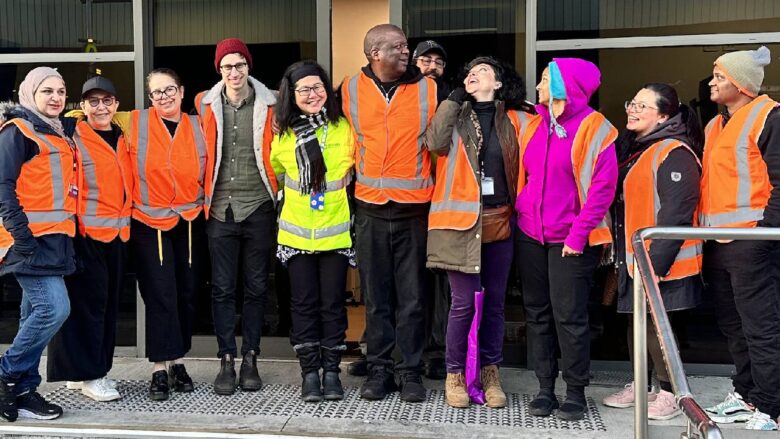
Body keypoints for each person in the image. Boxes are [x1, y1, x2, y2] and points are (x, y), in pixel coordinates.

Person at [425, 56, 534, 408]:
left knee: (495, 304)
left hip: (500, 220)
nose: (475, 74)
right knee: (463, 304)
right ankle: (455, 374)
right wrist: (453, 98)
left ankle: (490, 373)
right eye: (470, 71)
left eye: (484, 70)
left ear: (499, 83)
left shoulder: (517, 118)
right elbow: (435, 143)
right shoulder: (454, 115)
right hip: (460, 224)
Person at [515, 58, 618, 421]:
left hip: (571, 239)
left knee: (569, 317)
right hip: (530, 235)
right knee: (537, 313)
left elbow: (602, 192)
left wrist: (577, 236)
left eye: (544, 79)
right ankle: (545, 388)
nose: (538, 86)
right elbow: (523, 178)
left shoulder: (596, 128)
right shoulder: (533, 124)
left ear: (564, 86)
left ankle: (575, 390)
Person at [341, 23, 437, 402]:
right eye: (397, 47)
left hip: (414, 210)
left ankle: (409, 371)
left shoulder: (430, 88)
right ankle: (379, 369)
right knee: (377, 298)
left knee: (413, 298)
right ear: (374, 54)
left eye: (405, 46)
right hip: (369, 210)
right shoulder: (348, 89)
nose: (405, 52)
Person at [601, 83, 703, 421]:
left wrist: (655, 264)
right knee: (637, 324)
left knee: (659, 328)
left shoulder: (673, 151)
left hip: (661, 262)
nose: (632, 109)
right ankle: (643, 386)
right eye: (632, 103)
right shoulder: (640, 150)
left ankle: (671, 393)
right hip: (636, 259)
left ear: (663, 115)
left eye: (642, 106)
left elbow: (677, 212)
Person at [699, 46, 780, 431]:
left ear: (742, 85)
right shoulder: (717, 124)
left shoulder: (769, 116)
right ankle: (747, 394)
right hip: (720, 241)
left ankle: (772, 405)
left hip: (753, 241)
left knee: (761, 327)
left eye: (720, 77)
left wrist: (767, 234)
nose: (712, 83)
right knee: (734, 326)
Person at [195, 38, 277, 396]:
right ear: (219, 70)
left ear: (249, 67)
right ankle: (226, 359)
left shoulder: (272, 102)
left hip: (259, 205)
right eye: (227, 66)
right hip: (219, 210)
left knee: (257, 287)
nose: (234, 71)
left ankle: (251, 357)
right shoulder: (204, 104)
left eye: (239, 64)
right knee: (224, 288)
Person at [270, 60, 355, 402]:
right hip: (296, 235)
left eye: (317, 87)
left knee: (333, 305)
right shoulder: (283, 133)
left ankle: (332, 371)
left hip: (335, 233)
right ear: (292, 94)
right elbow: (277, 172)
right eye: (303, 89)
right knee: (303, 305)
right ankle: (309, 373)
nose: (312, 94)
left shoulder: (343, 128)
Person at [47, 76, 132, 402]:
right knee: (90, 308)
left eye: (106, 100)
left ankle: (78, 372)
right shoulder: (72, 136)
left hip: (117, 236)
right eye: (93, 101)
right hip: (85, 236)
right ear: (82, 106)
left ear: (115, 104)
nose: (101, 107)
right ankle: (93, 376)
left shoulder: (121, 135)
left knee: (103, 306)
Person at [0, 67, 76, 421]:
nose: (56, 98)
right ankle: (5, 372)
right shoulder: (18, 131)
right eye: (47, 91)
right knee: (54, 309)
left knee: (33, 312)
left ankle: (24, 388)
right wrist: (22, 236)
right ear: (30, 93)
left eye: (61, 91)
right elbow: (3, 186)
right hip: (27, 241)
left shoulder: (57, 133)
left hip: (54, 239)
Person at [128, 68, 206, 401]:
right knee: (160, 294)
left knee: (186, 292)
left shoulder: (200, 125)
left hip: (189, 218)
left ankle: (178, 361)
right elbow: (92, 118)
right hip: (148, 221)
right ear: (149, 97)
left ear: (182, 90)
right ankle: (159, 368)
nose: (164, 97)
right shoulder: (131, 122)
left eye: (169, 89)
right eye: (156, 92)